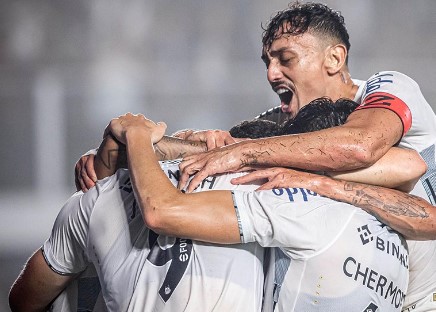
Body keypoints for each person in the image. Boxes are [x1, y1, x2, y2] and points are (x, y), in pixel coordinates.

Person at [89, 111, 409, 311]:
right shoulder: (397, 227)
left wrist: (138, 136)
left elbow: (163, 211)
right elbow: (413, 167)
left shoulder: (297, 206)